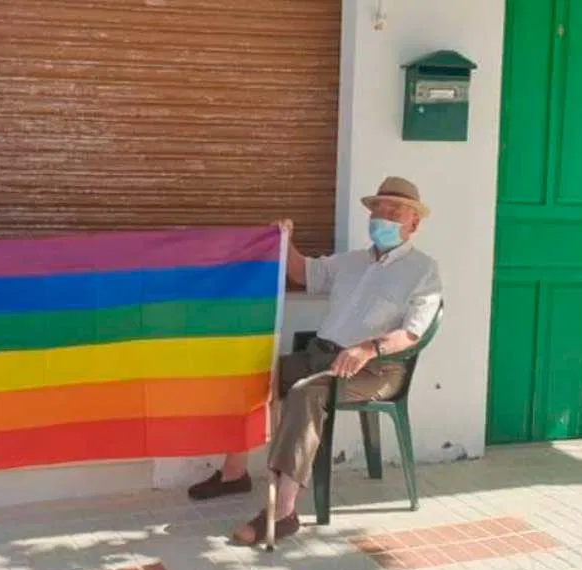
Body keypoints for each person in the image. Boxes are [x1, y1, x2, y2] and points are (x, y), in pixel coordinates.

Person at [186, 176, 442, 545]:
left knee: (306, 394)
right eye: (378, 210)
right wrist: (284, 239)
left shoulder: (423, 271)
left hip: (377, 369)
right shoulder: (351, 262)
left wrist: (368, 348)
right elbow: (301, 271)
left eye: (393, 210)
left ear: (413, 223)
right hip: (323, 355)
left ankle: (284, 512)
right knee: (254, 376)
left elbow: (412, 334)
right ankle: (234, 472)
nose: (382, 217)